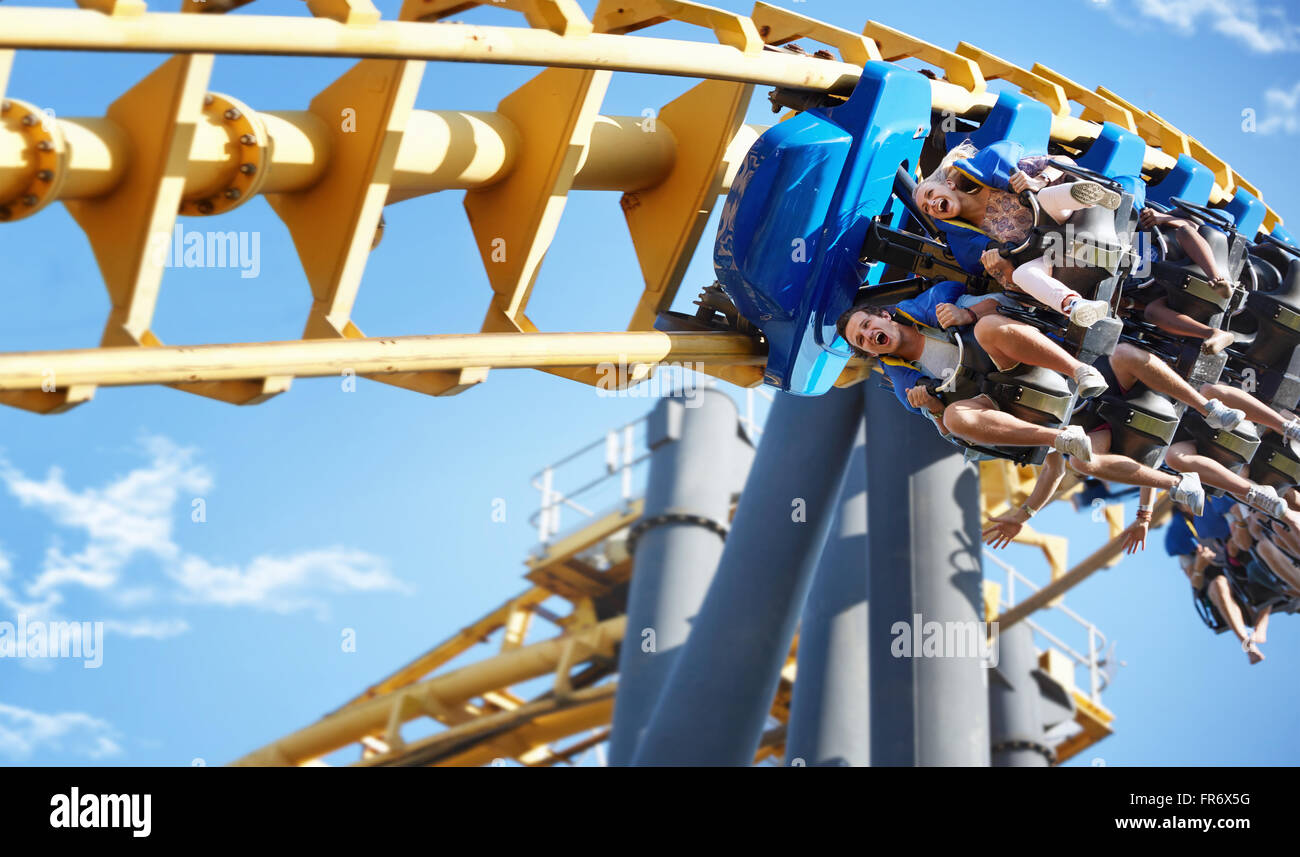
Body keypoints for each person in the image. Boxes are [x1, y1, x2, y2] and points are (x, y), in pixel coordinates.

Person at [836, 279, 1105, 460]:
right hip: (1006, 405)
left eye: (867, 325)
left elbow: (1004, 302)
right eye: (861, 340)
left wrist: (968, 314)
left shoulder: (933, 306)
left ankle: (1080, 371)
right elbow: (953, 435)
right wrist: (935, 409)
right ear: (871, 352)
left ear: (884, 316)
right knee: (954, 418)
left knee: (986, 327)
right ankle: (1061, 439)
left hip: (1030, 367)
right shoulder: (905, 384)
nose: (869, 334)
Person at [912, 139, 1114, 328]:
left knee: (1043, 197)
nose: (931, 204)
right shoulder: (970, 243)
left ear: (949, 184)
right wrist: (1004, 267)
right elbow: (1019, 296)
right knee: (1021, 274)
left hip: (1071, 217)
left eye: (930, 194)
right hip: (1051, 255)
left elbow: (1064, 161)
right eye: (926, 208)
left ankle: (1095, 195)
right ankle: (1075, 305)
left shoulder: (998, 175)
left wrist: (1038, 181)